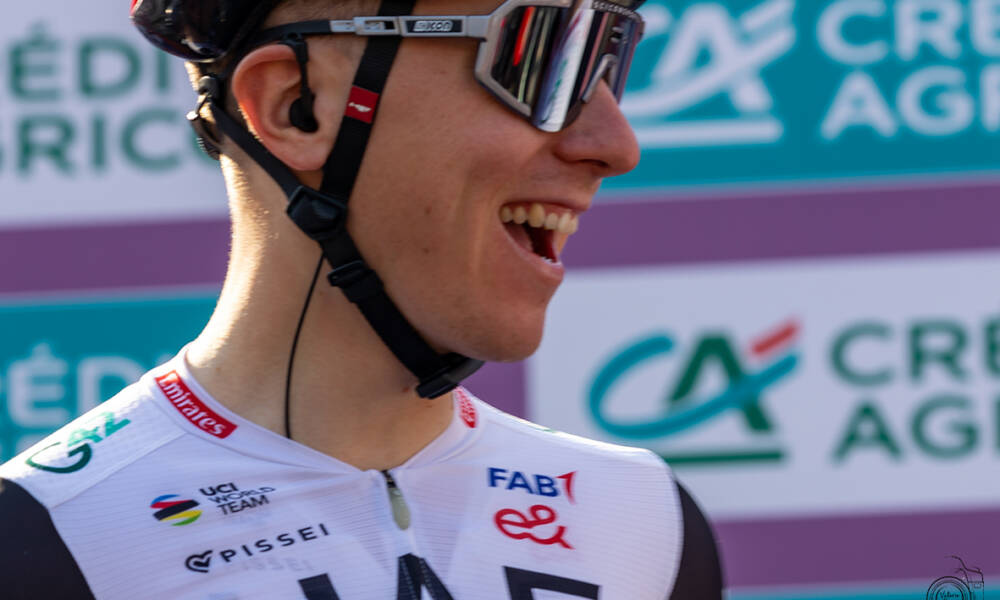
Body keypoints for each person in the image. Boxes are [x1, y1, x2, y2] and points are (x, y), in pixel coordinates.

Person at [0, 0, 724, 597]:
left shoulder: (645, 522)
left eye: (608, 57)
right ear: (296, 107)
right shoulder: (45, 539)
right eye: (544, 56)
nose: (616, 145)